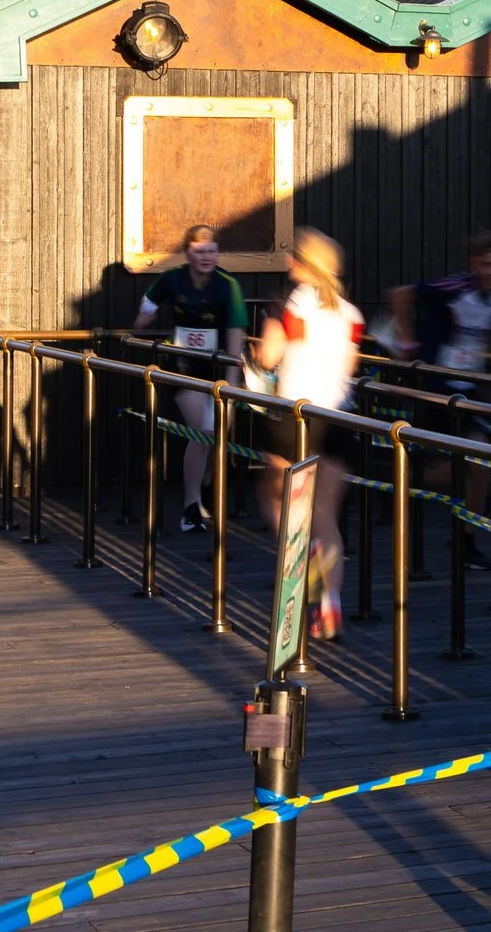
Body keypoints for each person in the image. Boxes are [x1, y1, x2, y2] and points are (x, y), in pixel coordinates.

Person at [250, 229, 363, 640]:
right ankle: (330, 603)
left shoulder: (288, 306)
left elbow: (269, 355)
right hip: (338, 418)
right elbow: (349, 368)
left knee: (275, 499)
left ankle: (301, 578)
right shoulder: (350, 314)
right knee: (326, 517)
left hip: (293, 415)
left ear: (299, 263)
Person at [387, 232, 491, 549]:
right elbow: (399, 295)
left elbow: (485, 335)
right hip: (435, 387)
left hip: (469, 390)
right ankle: (391, 476)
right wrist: (406, 343)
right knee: (464, 465)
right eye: (490, 265)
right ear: (476, 264)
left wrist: (490, 376)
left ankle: (465, 540)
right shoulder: (455, 288)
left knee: (480, 464)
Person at [132, 225, 247, 534]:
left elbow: (237, 333)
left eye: (211, 251)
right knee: (202, 431)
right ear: (188, 254)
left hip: (219, 367)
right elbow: (148, 305)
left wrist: (232, 380)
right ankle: (190, 507)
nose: (206, 257)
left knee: (217, 437)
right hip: (183, 366)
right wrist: (139, 325)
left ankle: (206, 488)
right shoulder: (173, 279)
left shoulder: (227, 285)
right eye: (199, 252)